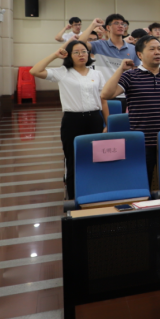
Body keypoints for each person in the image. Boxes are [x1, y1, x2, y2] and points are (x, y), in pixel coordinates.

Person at [101, 36, 160, 188]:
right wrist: (120, 69)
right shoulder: (130, 76)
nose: (157, 52)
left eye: (159, 49)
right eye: (152, 49)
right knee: (144, 183)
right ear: (139, 54)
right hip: (143, 142)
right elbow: (106, 95)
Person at [30, 40, 108, 200]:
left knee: (96, 158)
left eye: (84, 51)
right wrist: (54, 55)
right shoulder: (63, 72)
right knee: (73, 159)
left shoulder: (97, 74)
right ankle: (73, 197)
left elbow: (103, 101)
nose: (81, 55)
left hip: (94, 119)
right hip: (72, 121)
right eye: (76, 52)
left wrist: (107, 123)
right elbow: (35, 71)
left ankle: (95, 194)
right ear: (69, 55)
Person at [80, 15, 141, 110]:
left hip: (126, 95)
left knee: (124, 120)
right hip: (104, 94)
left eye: (122, 24)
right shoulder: (99, 45)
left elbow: (136, 74)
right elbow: (80, 44)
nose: (121, 26)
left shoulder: (133, 49)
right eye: (116, 23)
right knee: (107, 120)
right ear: (108, 27)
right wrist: (93, 25)